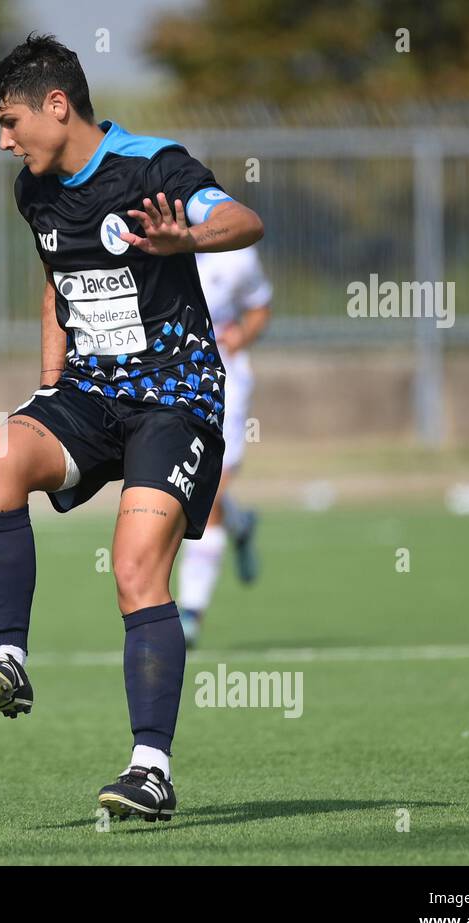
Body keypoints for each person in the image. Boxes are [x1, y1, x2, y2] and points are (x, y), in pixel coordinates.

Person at [0, 34, 264, 821]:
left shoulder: (152, 166)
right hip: (91, 396)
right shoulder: (34, 190)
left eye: (10, 120)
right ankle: (9, 657)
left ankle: (150, 771)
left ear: (56, 106)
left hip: (175, 397)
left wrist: (188, 238)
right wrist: (48, 388)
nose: (4, 139)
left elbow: (244, 219)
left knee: (134, 569)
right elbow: (56, 285)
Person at [176, 246, 273, 647]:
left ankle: (190, 612)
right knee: (192, 485)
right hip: (171, 380)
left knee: (209, 491)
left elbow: (260, 307)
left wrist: (241, 337)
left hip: (225, 380)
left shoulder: (237, 255)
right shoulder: (143, 240)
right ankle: (239, 523)